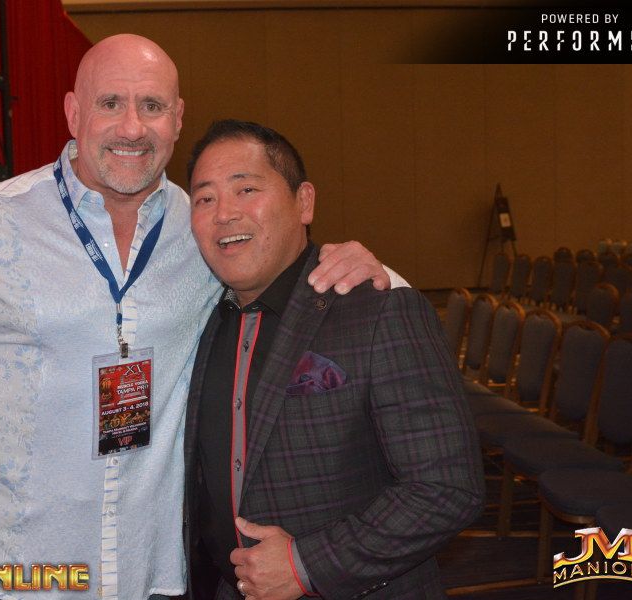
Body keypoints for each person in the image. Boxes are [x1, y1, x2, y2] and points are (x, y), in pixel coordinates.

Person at [0, 35, 405, 600]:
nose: (133, 127)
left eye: (152, 106)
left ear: (178, 118)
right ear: (73, 113)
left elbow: (289, 268)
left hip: (150, 572)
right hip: (4, 573)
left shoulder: (205, 228)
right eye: (110, 103)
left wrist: (367, 269)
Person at [183, 120, 484, 600]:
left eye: (247, 189)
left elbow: (446, 489)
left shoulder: (377, 310)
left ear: (303, 202)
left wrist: (306, 565)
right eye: (204, 199)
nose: (224, 214)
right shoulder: (201, 319)